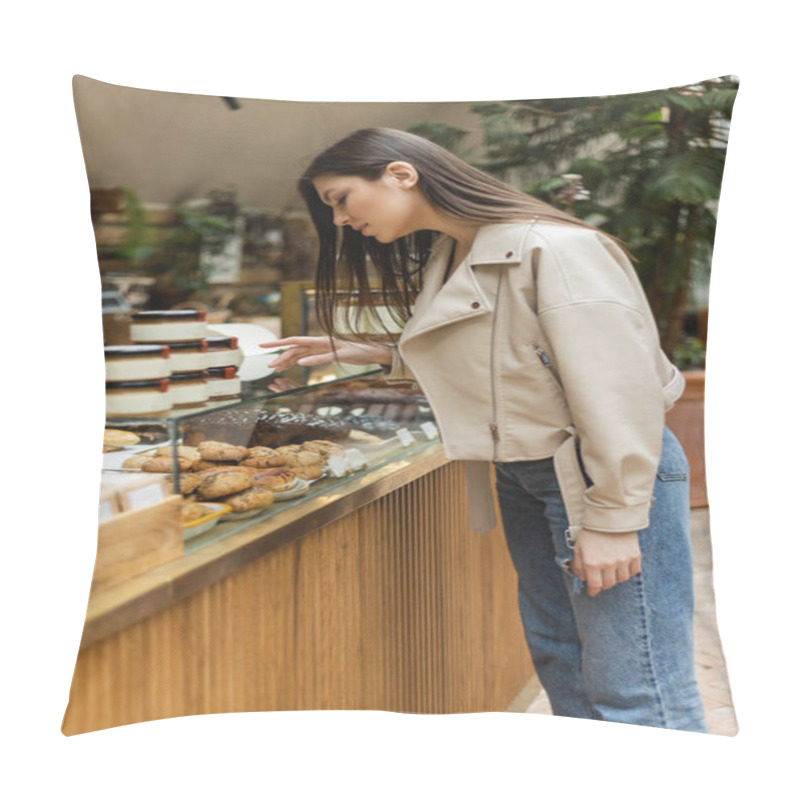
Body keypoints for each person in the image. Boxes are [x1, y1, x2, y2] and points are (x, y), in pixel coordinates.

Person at [265, 127, 707, 732]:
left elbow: (618, 392)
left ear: (400, 174)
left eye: (341, 198)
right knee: (565, 665)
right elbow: (505, 357)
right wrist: (368, 351)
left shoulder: (554, 248)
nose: (339, 219)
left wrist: (615, 516)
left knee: (636, 682)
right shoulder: (454, 252)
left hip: (594, 478)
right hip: (527, 477)